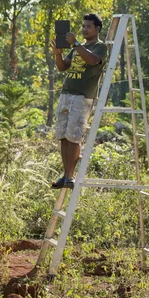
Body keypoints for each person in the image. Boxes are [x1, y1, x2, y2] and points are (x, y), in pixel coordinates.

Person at [50, 13, 108, 189]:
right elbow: (62, 67)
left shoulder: (100, 47)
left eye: (88, 26)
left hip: (82, 97)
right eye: (82, 26)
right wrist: (57, 54)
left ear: (97, 29)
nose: (84, 29)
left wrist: (75, 43)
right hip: (66, 94)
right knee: (63, 137)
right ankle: (65, 175)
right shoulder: (77, 47)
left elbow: (92, 60)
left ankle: (71, 176)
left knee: (74, 137)